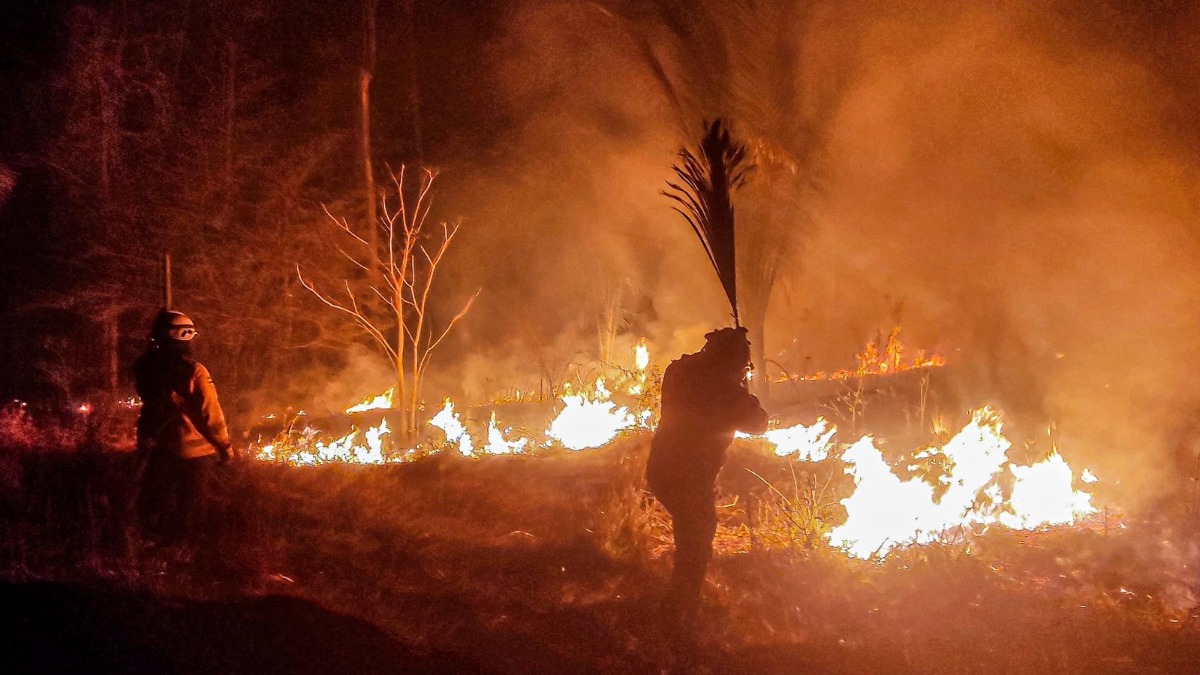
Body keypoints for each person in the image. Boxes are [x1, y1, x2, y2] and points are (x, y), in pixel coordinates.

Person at [646, 326, 768, 652]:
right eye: (743, 367)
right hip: (688, 477)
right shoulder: (727, 394)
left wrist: (737, 383)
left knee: (692, 528)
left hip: (661, 470)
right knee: (697, 542)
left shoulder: (680, 372)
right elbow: (759, 423)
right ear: (731, 364)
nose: (744, 372)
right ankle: (678, 616)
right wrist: (747, 392)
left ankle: (679, 606)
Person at [133, 309, 233, 552]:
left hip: (155, 445)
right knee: (189, 504)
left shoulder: (144, 368)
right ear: (185, 336)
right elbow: (210, 412)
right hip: (192, 451)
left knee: (159, 497)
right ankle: (181, 551)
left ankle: (153, 544)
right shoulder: (195, 370)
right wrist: (224, 444)